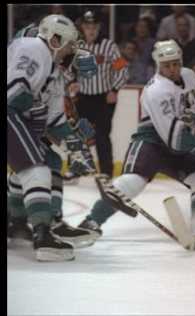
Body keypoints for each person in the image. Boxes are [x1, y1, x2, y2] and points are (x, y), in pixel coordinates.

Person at [78, 40, 195, 240]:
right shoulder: (156, 90)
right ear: (159, 65)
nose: (173, 69)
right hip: (151, 143)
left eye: (176, 63)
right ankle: (91, 222)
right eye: (167, 65)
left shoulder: (189, 75)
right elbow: (173, 136)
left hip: (178, 145)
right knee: (131, 182)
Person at [7, 14, 97, 261]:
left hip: (16, 117)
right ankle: (43, 236)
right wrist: (34, 108)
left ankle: (19, 223)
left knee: (50, 162)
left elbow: (55, 121)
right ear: (55, 39)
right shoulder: (34, 47)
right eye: (70, 44)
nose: (72, 50)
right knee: (37, 170)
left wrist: (76, 146)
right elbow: (15, 92)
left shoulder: (55, 74)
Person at [76, 10, 129, 177]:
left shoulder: (109, 46)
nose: (91, 30)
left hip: (103, 99)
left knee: (101, 136)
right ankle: (78, 168)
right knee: (79, 134)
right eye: (87, 26)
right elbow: (69, 68)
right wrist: (71, 82)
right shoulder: (77, 46)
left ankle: (106, 172)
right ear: (82, 27)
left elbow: (123, 69)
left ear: (99, 27)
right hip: (83, 98)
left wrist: (114, 89)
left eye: (94, 26)